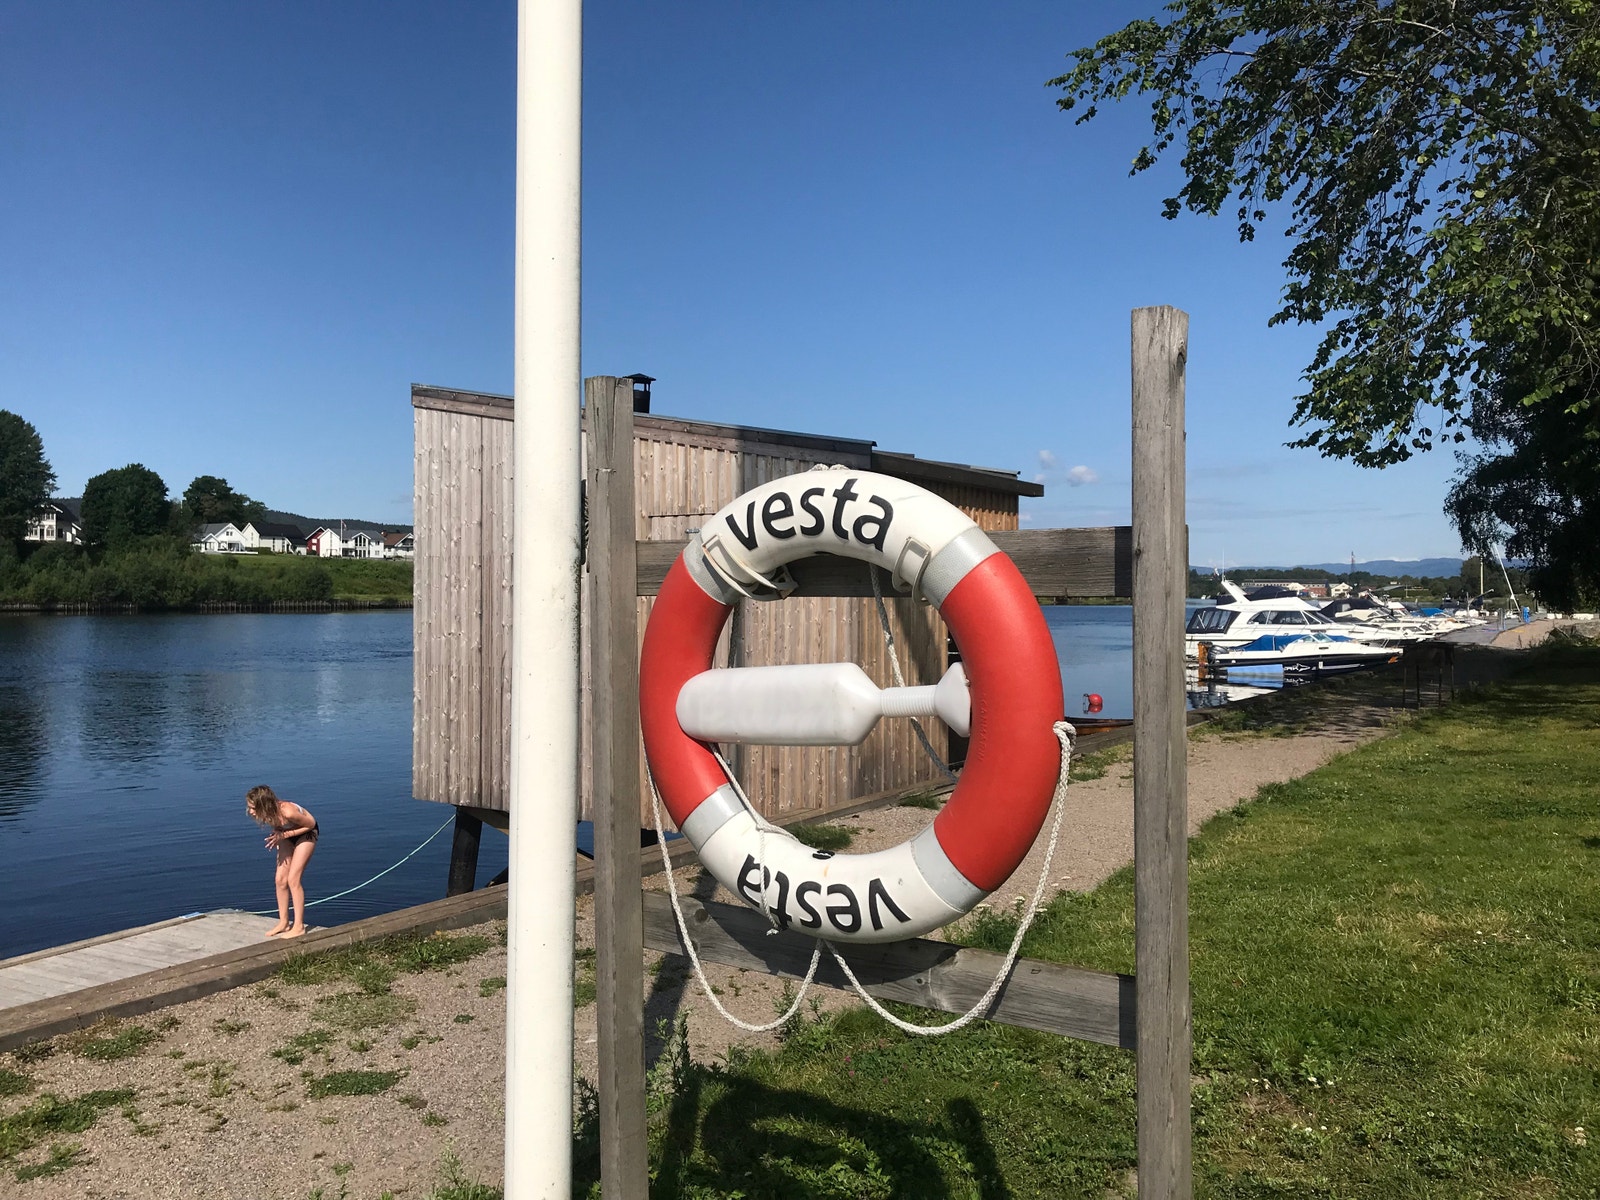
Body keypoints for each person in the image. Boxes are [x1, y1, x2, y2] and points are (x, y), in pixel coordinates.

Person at [245, 784, 319, 938]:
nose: (250, 812)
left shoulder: (288, 811)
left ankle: (298, 926)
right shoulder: (268, 814)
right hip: (286, 834)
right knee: (280, 880)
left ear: (263, 805)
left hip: (306, 834)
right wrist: (279, 834)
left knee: (293, 879)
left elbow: (311, 823)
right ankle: (284, 922)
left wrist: (285, 835)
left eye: (253, 808)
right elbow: (280, 827)